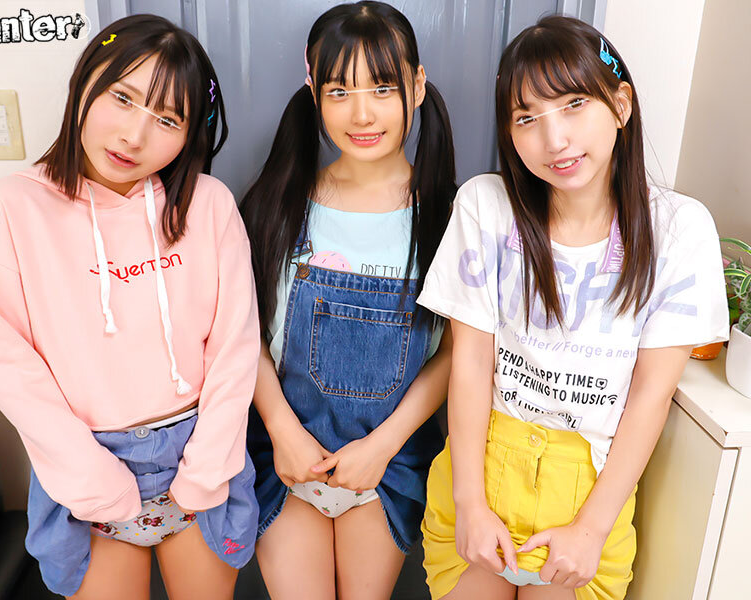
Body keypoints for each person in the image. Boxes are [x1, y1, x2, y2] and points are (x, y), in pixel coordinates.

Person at [417, 15, 729, 600]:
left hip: (589, 499)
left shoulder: (679, 229)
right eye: (527, 118)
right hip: (482, 477)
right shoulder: (486, 207)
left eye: (574, 104)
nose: (554, 139)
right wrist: (470, 504)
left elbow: (651, 393)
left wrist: (590, 530)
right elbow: (470, 363)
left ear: (621, 104)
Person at [0, 14, 259, 600]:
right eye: (122, 98)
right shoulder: (11, 208)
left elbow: (235, 346)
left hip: (197, 452)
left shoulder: (208, 205)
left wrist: (204, 473)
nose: (134, 136)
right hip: (84, 465)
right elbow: (10, 365)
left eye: (167, 119)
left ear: (190, 134)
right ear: (85, 83)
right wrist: (95, 481)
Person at [239, 2, 457, 597]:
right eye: (339, 91)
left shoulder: (450, 215)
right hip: (285, 454)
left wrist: (381, 448)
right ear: (313, 90)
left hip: (388, 461)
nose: (362, 114)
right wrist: (283, 430)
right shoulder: (275, 202)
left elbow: (456, 354)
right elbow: (240, 332)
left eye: (383, 88)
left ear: (417, 84)